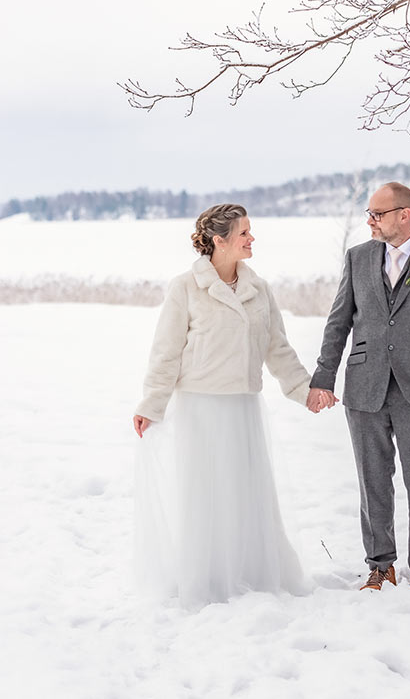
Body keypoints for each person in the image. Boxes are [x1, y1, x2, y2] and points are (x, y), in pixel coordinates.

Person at [133, 203, 317, 608]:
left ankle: (250, 572)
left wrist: (305, 390)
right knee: (206, 493)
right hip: (200, 407)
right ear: (219, 240)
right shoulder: (184, 287)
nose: (252, 239)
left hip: (244, 406)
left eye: (251, 232)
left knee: (247, 493)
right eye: (245, 233)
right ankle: (207, 577)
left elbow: (277, 348)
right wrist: (152, 403)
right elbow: (166, 352)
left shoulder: (259, 288)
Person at [308, 182, 410, 590]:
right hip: (365, 386)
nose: (370, 221)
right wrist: (323, 377)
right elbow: (338, 322)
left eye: (377, 214)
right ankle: (379, 565)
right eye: (369, 213)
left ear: (405, 214)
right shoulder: (358, 257)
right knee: (372, 480)